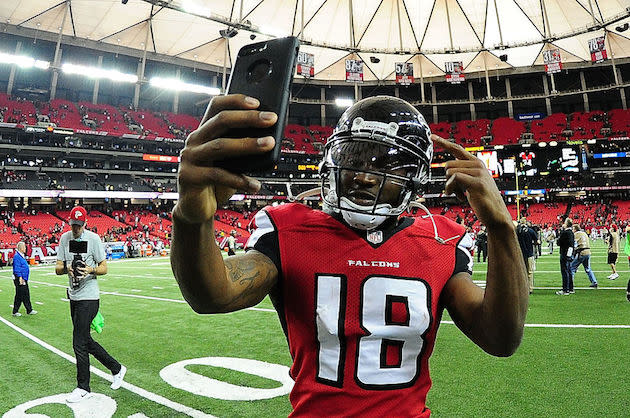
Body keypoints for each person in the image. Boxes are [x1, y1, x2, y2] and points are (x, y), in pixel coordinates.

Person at [170, 94, 528, 416]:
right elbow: (213, 294)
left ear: (414, 176)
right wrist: (191, 218)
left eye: (384, 163)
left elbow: (500, 339)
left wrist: (501, 228)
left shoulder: (440, 239)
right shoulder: (289, 229)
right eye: (353, 156)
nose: (364, 176)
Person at [55, 206, 126, 403]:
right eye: (73, 225)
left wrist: (90, 270)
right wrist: (67, 268)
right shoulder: (64, 239)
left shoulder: (93, 239)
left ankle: (83, 387)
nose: (75, 229)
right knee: (85, 340)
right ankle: (117, 368)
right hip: (74, 296)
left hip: (90, 296)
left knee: (78, 342)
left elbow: (104, 267)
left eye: (78, 225)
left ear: (85, 224)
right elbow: (57, 267)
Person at [12, 241, 37, 317]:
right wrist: (20, 277)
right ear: (21, 248)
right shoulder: (17, 256)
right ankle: (16, 311)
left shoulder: (21, 255)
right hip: (20, 278)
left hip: (23, 278)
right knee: (20, 295)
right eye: (24, 247)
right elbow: (17, 268)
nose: (25, 248)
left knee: (24, 294)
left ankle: (28, 310)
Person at [570, 224, 598, 288]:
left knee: (572, 268)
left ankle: (570, 283)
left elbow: (574, 244)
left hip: (582, 252)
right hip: (588, 252)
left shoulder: (576, 234)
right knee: (588, 268)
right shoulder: (584, 233)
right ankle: (594, 281)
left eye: (573, 229)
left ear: (575, 229)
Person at [516, 218, 538, 294]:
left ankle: (522, 288)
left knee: (522, 272)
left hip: (520, 254)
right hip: (529, 253)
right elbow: (537, 240)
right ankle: (530, 288)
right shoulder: (530, 230)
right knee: (530, 272)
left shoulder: (517, 231)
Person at [556, 218, 575, 295]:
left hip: (564, 253)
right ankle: (570, 288)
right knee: (569, 270)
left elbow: (559, 242)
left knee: (564, 271)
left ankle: (565, 289)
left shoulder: (565, 232)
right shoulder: (571, 232)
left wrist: (560, 233)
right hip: (569, 253)